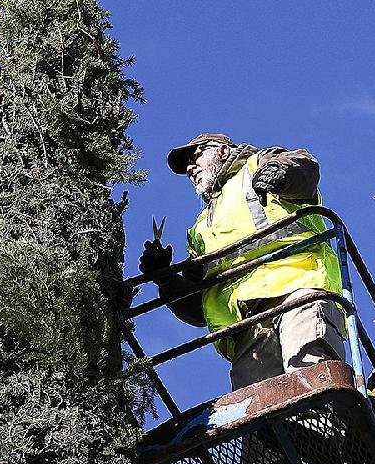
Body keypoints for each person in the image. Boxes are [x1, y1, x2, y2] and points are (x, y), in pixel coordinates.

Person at [138, 133, 345, 391]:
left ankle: (326, 426)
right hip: (247, 326)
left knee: (308, 375)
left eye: (197, 155)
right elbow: (198, 308)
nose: (191, 167)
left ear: (223, 151)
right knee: (262, 406)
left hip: (297, 289)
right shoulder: (201, 229)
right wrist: (166, 279)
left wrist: (280, 172)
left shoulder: (256, 166)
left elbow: (305, 167)